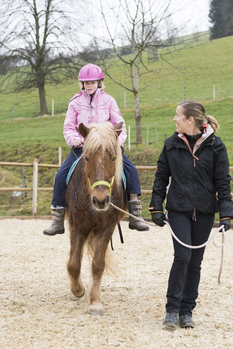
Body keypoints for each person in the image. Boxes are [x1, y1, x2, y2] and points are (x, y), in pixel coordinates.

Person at [149, 100, 233, 329]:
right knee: (182, 256)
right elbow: (161, 177)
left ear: (190, 120)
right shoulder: (171, 145)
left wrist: (226, 215)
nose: (174, 119)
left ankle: (187, 311)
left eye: (177, 115)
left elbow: (223, 183)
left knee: (195, 261)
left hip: (205, 210)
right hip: (178, 209)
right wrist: (156, 206)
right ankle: (172, 309)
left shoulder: (216, 146)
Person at [43, 63, 149, 236]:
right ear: (82, 84)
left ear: (99, 82)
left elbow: (119, 126)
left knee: (130, 170)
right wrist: (77, 140)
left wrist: (115, 143)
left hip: (107, 148)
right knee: (61, 174)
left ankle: (135, 213)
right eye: (86, 83)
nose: (89, 85)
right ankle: (57, 217)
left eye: (92, 82)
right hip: (83, 148)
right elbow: (68, 128)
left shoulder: (109, 101)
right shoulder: (75, 102)